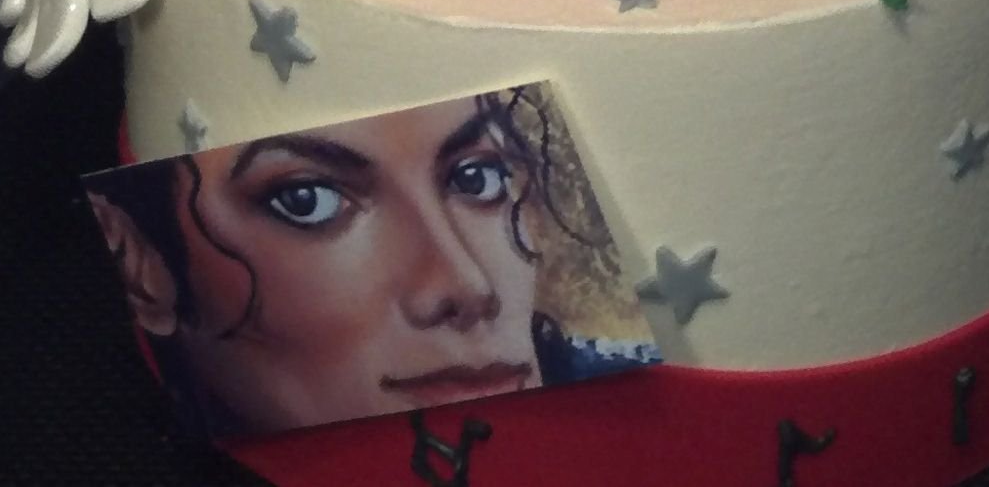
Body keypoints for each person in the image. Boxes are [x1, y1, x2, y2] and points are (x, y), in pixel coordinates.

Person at [87, 89, 657, 439]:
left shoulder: (639, 410)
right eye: (307, 200)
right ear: (139, 263)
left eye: (476, 178)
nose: (466, 285)